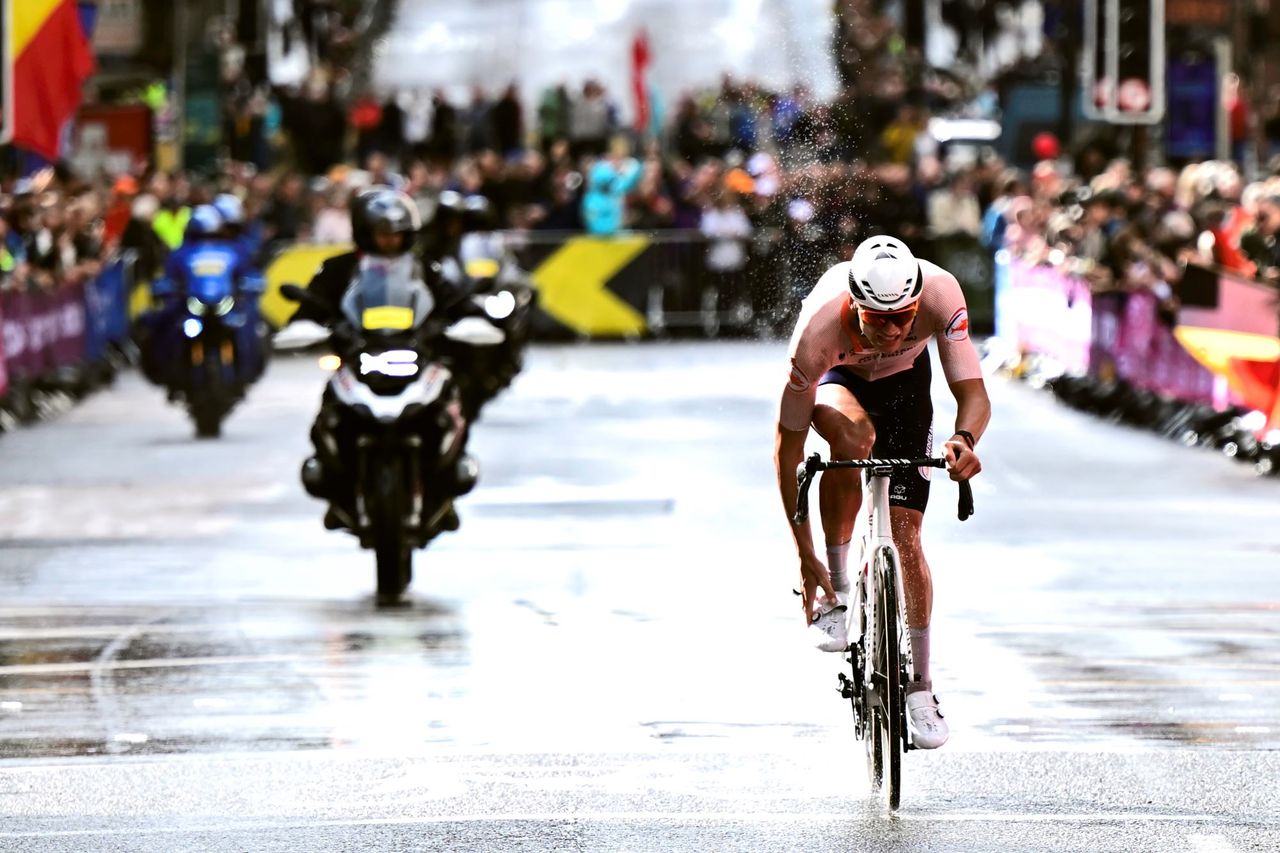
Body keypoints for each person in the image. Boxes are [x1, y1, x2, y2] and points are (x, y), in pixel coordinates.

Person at [773, 235, 990, 750]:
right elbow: (787, 451)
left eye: (905, 318)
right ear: (854, 305)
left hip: (906, 387)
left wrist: (964, 440)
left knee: (908, 537)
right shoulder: (818, 330)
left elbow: (973, 392)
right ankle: (840, 586)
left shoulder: (940, 293)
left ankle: (922, 687)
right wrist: (806, 559)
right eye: (880, 320)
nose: (894, 330)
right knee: (854, 439)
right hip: (840, 380)